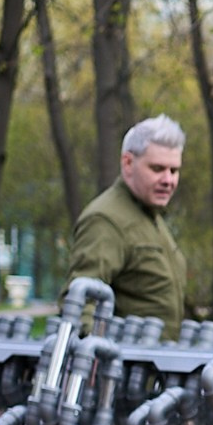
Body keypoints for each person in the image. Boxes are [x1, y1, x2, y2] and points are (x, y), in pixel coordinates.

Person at [66, 117, 188, 327]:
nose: (168, 180)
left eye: (174, 170)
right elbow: (80, 307)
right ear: (128, 163)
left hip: (157, 356)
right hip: (124, 357)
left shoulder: (151, 217)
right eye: (157, 169)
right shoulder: (106, 220)